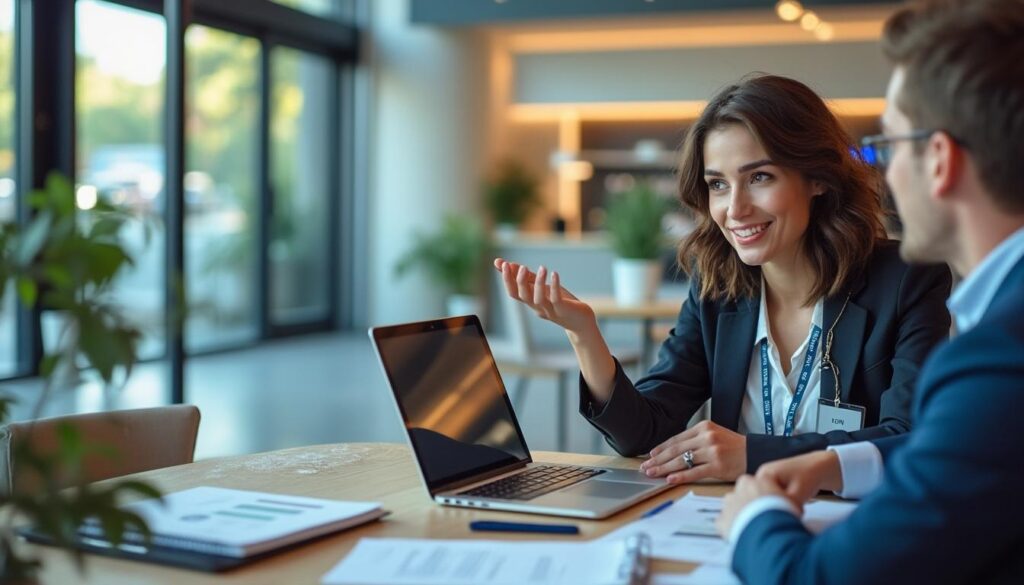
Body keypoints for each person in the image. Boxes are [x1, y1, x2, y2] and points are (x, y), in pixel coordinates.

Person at [494, 74, 952, 483]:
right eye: (718, 184)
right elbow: (644, 431)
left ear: (818, 179)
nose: (734, 210)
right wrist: (584, 335)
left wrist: (752, 456)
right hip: (736, 528)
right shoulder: (718, 288)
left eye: (760, 177)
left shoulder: (906, 281)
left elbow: (908, 440)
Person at [716, 0, 1024, 582]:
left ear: (938, 161)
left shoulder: (1000, 357)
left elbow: (820, 578)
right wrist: (833, 461)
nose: (883, 173)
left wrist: (755, 518)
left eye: (889, 145)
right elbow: (956, 460)